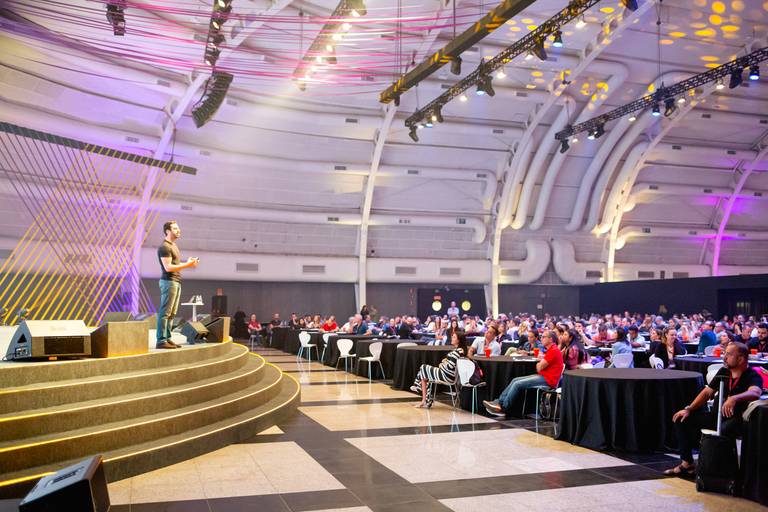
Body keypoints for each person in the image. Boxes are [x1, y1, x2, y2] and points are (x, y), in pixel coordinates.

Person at [665, 342, 763, 476]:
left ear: (740, 359)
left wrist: (734, 398)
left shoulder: (752, 375)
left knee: (722, 431)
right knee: (682, 419)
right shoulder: (724, 372)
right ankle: (687, 463)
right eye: (725, 353)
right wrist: (689, 409)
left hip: (737, 420)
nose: (724, 357)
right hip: (716, 416)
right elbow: (707, 393)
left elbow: (755, 392)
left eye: (728, 354)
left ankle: (721, 471)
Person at [483, 330, 564, 416]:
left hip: (549, 380)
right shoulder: (551, 350)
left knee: (518, 384)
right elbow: (541, 366)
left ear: (550, 339)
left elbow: (538, 368)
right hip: (544, 376)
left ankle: (503, 408)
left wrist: (540, 361)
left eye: (543, 337)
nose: (541, 339)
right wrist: (541, 361)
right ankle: (499, 402)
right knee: (515, 380)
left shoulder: (553, 351)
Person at [156, 220, 198, 349]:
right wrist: (188, 264)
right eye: (175, 228)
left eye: (178, 228)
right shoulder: (165, 247)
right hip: (169, 282)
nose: (178, 230)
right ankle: (161, 341)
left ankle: (167, 338)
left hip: (175, 281)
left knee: (172, 313)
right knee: (165, 312)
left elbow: (175, 265)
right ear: (168, 231)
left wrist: (188, 263)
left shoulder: (173, 246)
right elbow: (168, 267)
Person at [411, 331, 468, 408]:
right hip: (448, 375)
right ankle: (424, 398)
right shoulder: (460, 350)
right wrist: (444, 363)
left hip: (447, 375)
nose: (451, 338)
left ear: (459, 340)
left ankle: (419, 389)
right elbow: (449, 363)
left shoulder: (458, 351)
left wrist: (442, 365)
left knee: (423, 368)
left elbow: (450, 367)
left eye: (454, 337)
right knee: (424, 373)